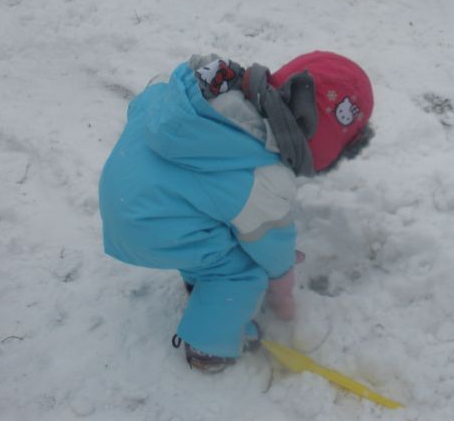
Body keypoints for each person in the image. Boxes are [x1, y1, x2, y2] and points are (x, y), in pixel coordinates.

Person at [99, 51, 374, 372]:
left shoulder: (212, 91)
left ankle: (200, 280)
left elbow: (152, 95)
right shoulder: (263, 175)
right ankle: (208, 347)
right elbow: (272, 246)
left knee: (210, 217)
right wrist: (283, 297)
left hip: (127, 189)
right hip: (147, 228)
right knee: (241, 269)